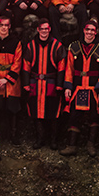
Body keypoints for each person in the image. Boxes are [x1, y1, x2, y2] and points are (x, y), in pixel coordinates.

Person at [61, 21, 99, 156]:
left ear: (96, 32)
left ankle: (91, 145)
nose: (90, 33)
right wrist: (68, 86)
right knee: (74, 115)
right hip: (77, 87)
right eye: (88, 29)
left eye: (92, 30)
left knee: (94, 116)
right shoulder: (74, 47)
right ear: (83, 30)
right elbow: (69, 68)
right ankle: (71, 145)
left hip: (94, 89)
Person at [23, 20, 67, 148]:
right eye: (41, 29)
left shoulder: (57, 46)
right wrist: (26, 83)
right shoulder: (31, 45)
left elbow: (62, 67)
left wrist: (59, 85)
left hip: (51, 83)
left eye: (46, 29)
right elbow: (26, 66)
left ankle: (53, 140)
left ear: (50, 29)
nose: (44, 31)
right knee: (35, 111)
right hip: (35, 83)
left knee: (54, 111)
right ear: (38, 29)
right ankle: (40, 139)